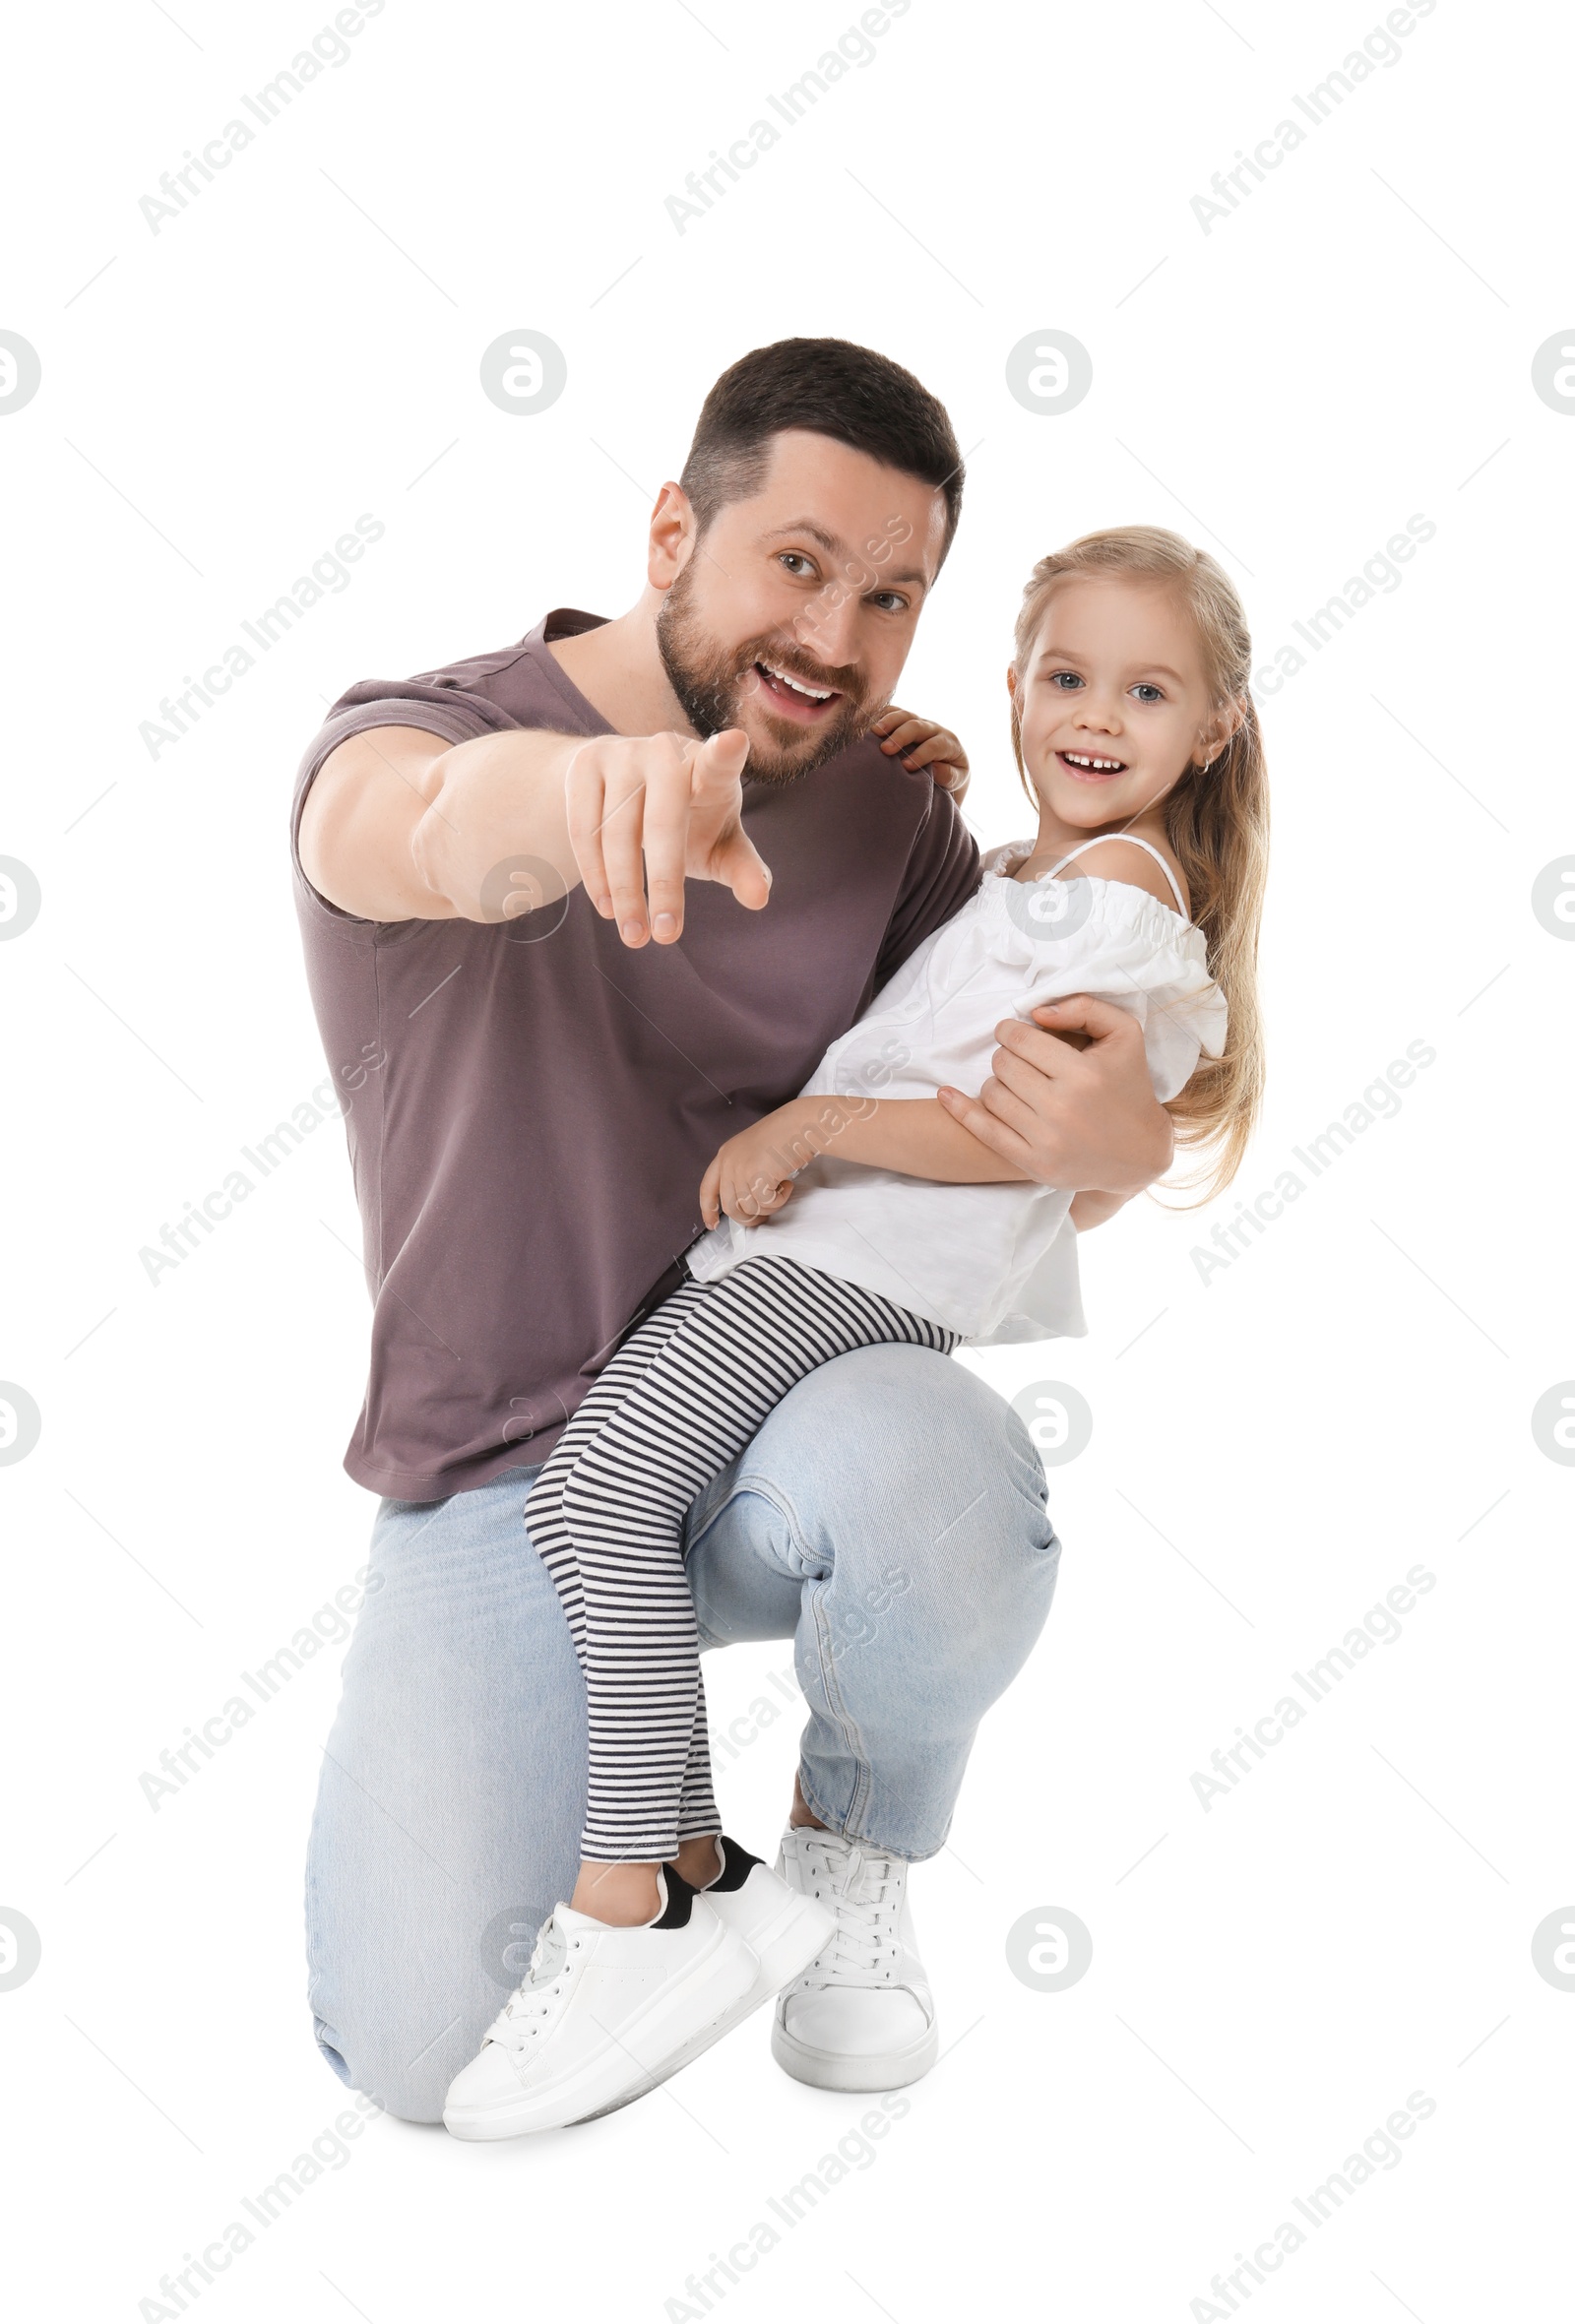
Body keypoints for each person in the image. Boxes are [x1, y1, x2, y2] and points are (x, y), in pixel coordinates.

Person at [294, 340, 1177, 2128]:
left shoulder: (895, 807)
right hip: (498, 1462)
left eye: (892, 596)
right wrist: (569, 797)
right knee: (415, 2056)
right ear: (671, 527)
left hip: (779, 1406)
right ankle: (673, 1856)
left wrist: (1127, 1153)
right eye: (796, 564)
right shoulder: (437, 734)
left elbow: (993, 1112)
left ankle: (843, 1867)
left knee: (944, 1479)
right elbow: (415, 831)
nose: (839, 639)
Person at [442, 525, 1267, 2139]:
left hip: (848, 1266)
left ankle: (629, 1913)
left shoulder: (1115, 901)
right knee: (611, 1500)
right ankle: (690, 1870)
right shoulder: (1051, 879)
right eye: (1065, 675)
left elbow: (1013, 1127)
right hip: (831, 1261)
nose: (1096, 715)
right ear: (1018, 684)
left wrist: (815, 1125)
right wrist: (942, 789)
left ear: (1213, 727)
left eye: (1147, 690)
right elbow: (959, 1014)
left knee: (598, 1500)